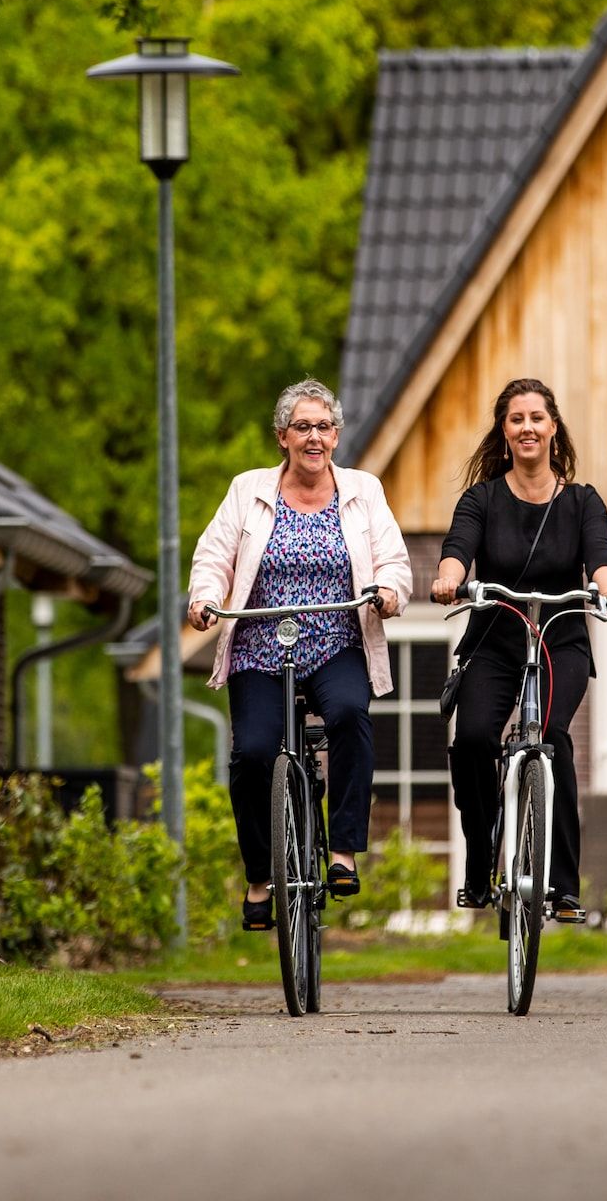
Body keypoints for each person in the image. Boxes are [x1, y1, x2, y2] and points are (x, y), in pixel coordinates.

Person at [188, 378, 412, 931]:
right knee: (253, 754)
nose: (315, 437)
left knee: (350, 715)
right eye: (303, 427)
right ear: (282, 436)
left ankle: (343, 852)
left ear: (336, 435)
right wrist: (204, 598)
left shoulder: (363, 490)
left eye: (324, 427)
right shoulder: (248, 490)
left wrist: (388, 592)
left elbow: (393, 560)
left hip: (336, 642)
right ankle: (260, 877)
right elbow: (214, 555)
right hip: (261, 646)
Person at [429, 377, 607, 923]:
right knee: (474, 739)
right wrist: (449, 578)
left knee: (553, 738)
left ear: (553, 428)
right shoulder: (482, 499)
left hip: (560, 639)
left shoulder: (582, 501)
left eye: (537, 418)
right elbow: (457, 548)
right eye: (516, 419)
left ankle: (563, 885)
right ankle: (479, 859)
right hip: (494, 640)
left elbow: (601, 555)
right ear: (504, 430)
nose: (527, 428)